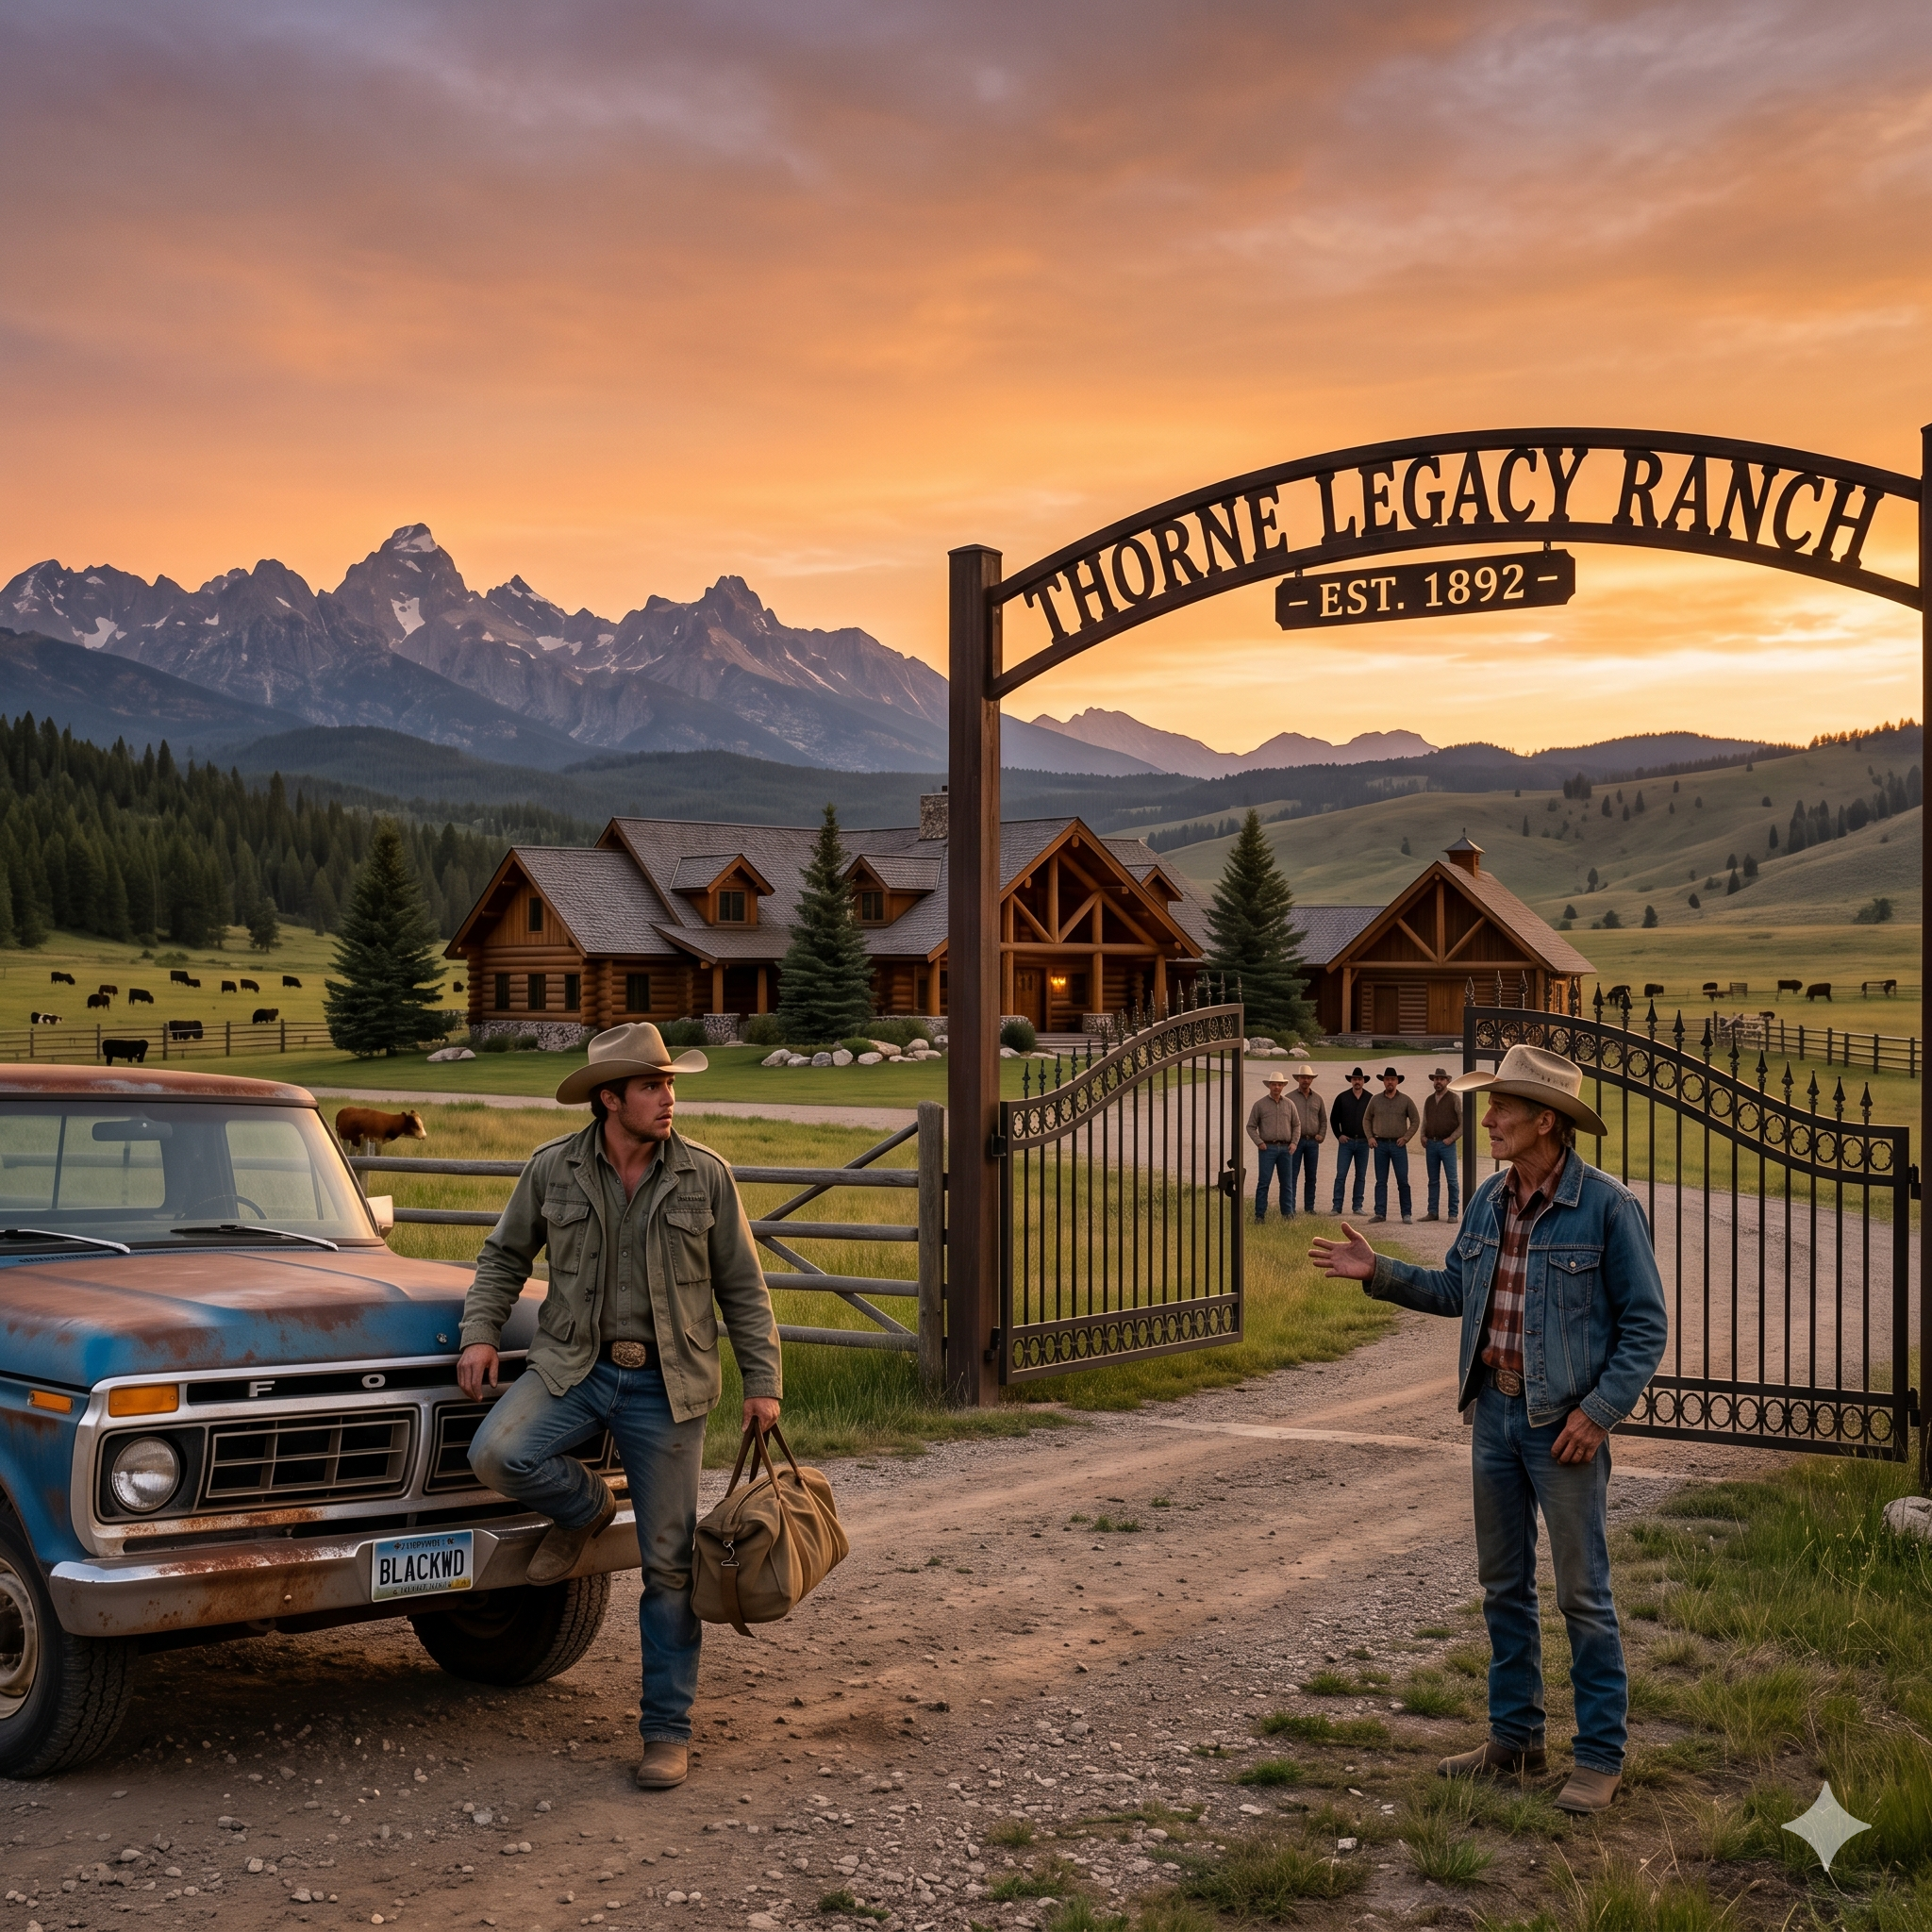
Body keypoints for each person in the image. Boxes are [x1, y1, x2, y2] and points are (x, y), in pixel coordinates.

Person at [1307, 1044, 1668, 1816]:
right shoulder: (1487, 1200)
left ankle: (1600, 1756)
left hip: (1563, 1426)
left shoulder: (1607, 1207)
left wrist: (1598, 1415)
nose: (1489, 1118)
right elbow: (1455, 1289)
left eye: (1503, 1107)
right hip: (1494, 1416)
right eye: (1490, 1104)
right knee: (1503, 1587)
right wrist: (1378, 1273)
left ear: (1547, 1120)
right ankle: (1515, 1739)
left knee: (1583, 1595)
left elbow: (1645, 1326)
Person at [458, 1022, 783, 1793]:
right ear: (611, 1099)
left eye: (670, 1084)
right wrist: (479, 1333)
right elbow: (504, 1255)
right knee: (498, 1453)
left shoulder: (705, 1176)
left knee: (669, 1567)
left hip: (669, 1387)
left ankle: (666, 1730)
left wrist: (762, 1381)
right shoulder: (553, 1170)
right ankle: (585, 1510)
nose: (668, 1099)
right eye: (651, 1086)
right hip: (573, 1368)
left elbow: (743, 1286)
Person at [1364, 1065, 1420, 1224]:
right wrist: (1370, 1137)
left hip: (1398, 1145)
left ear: (1397, 1082)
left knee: (1403, 1180)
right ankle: (1380, 1213)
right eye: (1387, 1079)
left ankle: (1406, 1213)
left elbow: (1415, 1120)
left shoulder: (1405, 1100)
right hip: (1379, 1144)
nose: (1390, 1082)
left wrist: (1406, 1137)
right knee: (1381, 1181)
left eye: (1392, 1080)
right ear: (1383, 1081)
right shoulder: (1375, 1100)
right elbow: (1366, 1119)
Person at [1246, 1070, 1302, 1222]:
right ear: (1269, 1085)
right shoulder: (1260, 1105)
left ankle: (1287, 1214)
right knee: (1264, 1182)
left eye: (1279, 1084)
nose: (1276, 1087)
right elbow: (1250, 1126)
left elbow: (1297, 1125)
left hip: (1286, 1149)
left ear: (1283, 1086)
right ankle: (1259, 1215)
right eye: (1274, 1084)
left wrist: (1294, 1143)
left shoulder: (1290, 1104)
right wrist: (1259, 1142)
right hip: (1267, 1148)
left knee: (1286, 1183)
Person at [1329, 1066, 1372, 1216]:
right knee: (1341, 1174)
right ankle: (1337, 1206)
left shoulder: (1370, 1098)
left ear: (1363, 1081)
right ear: (1351, 1081)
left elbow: (1374, 1119)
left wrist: (1371, 1136)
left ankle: (1357, 1205)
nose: (1357, 1082)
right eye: (1354, 1079)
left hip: (1363, 1142)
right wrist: (1338, 1135)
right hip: (1346, 1143)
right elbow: (1334, 1119)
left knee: (1360, 1175)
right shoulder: (1342, 1097)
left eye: (1359, 1079)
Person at [1422, 1067, 1462, 1221]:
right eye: (1436, 1079)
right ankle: (1432, 1212)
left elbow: (1462, 1123)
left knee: (1452, 1180)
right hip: (1431, 1144)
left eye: (1441, 1079)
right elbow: (1425, 1120)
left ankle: (1453, 1213)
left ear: (1447, 1081)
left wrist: (1451, 1138)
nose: (1438, 1082)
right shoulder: (1429, 1100)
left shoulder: (1454, 1099)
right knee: (1433, 1180)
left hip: (1447, 1145)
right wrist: (1422, 1136)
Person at [1287, 1065, 1325, 1213]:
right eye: (1303, 1077)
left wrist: (1321, 1135)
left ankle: (1309, 1207)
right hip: (1295, 1142)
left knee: (1311, 1176)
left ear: (1312, 1080)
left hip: (1312, 1142)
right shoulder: (1289, 1098)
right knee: (1292, 1175)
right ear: (1298, 1079)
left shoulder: (1318, 1099)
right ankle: (1291, 1207)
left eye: (1309, 1078)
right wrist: (1291, 1139)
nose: (1306, 1080)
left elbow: (1323, 1120)